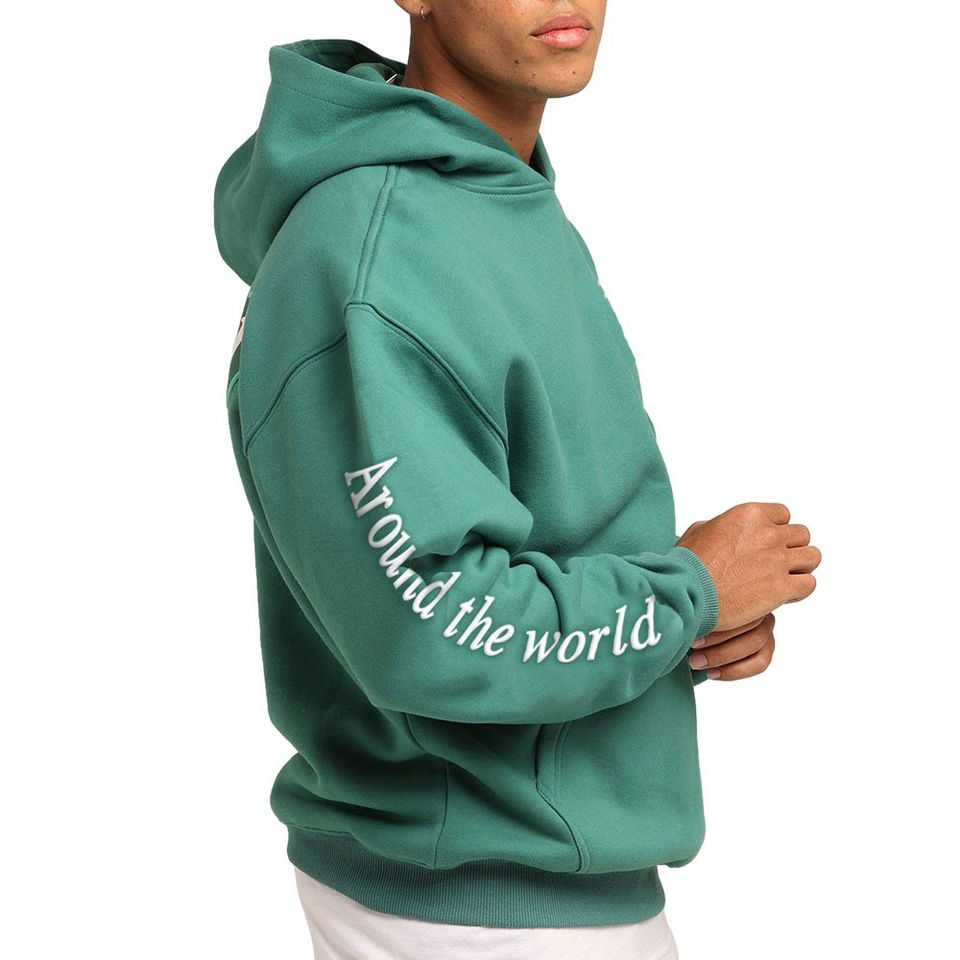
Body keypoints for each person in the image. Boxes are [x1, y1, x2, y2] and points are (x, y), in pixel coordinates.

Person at [213, 2, 821, 957]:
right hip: (473, 911)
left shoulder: (493, 194)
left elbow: (513, 545)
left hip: (519, 883)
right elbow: (432, 623)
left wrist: (679, 627)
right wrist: (685, 594)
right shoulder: (380, 243)